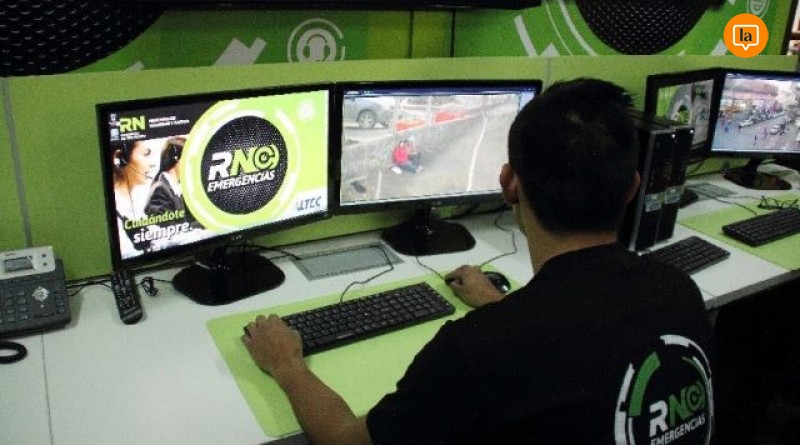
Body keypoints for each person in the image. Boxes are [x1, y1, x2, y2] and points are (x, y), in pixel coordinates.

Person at [242, 79, 715, 444]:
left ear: (509, 184)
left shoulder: (477, 350)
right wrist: (499, 306)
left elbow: (348, 441)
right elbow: (577, 353)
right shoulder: (677, 291)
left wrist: (287, 365)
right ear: (633, 187)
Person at [112, 138, 164, 257]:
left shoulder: (137, 201)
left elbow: (161, 237)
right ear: (119, 158)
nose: (154, 163)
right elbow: (128, 254)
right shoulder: (114, 206)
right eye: (146, 154)